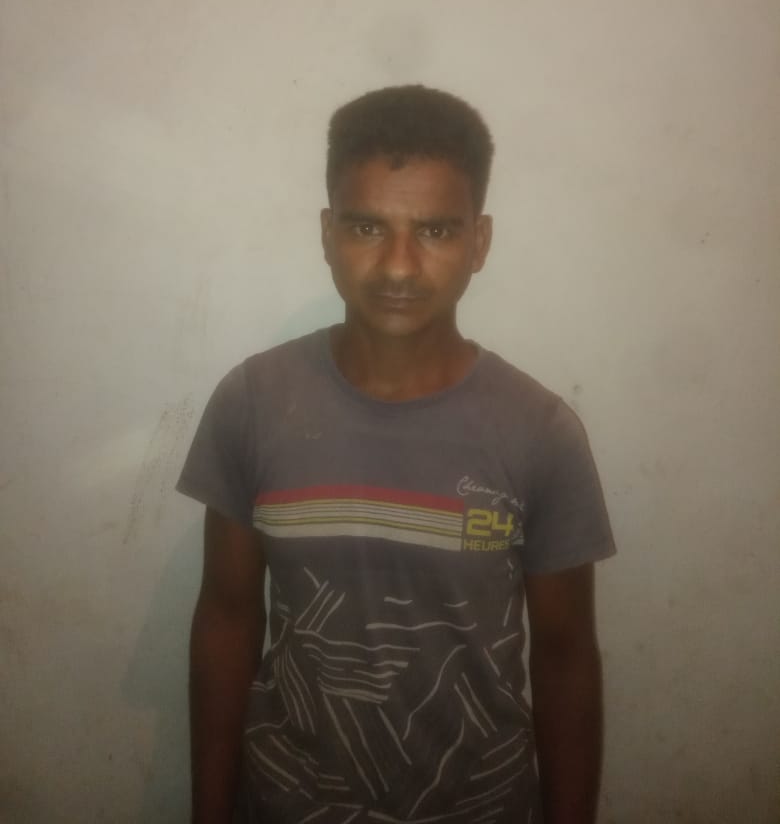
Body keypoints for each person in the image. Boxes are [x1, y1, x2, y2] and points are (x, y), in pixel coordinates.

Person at [177, 84, 616, 824]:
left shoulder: (540, 432)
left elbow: (567, 656)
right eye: (367, 227)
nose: (399, 267)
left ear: (479, 243)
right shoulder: (253, 402)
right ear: (327, 234)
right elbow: (226, 617)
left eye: (436, 231)